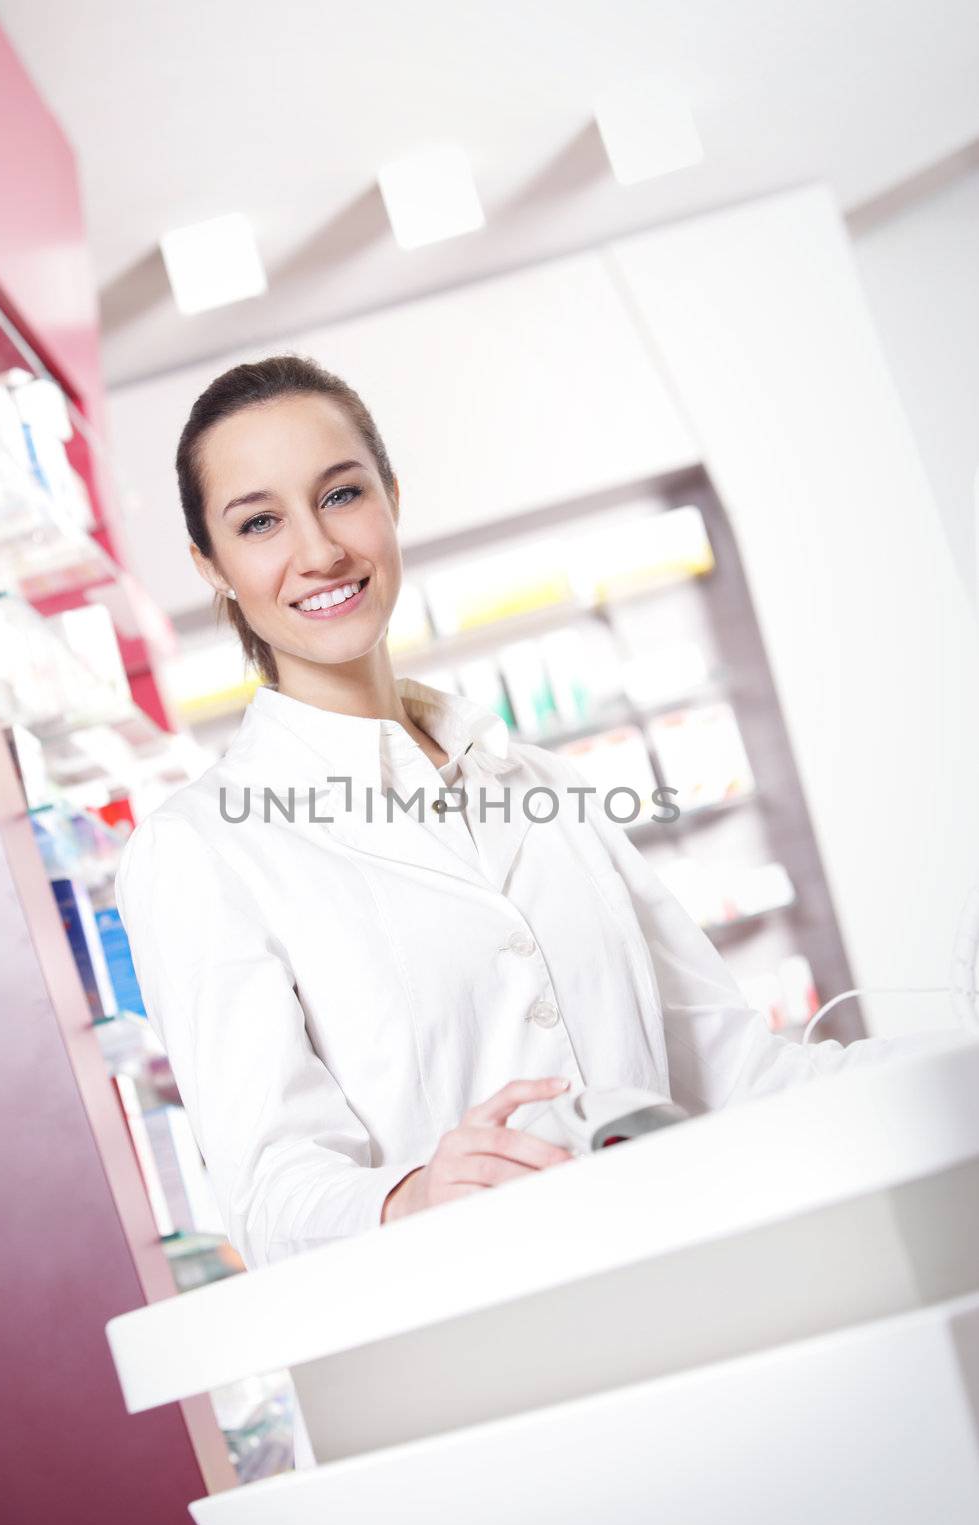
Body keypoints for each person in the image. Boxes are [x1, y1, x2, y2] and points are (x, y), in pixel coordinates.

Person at [115, 352, 896, 1269]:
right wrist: (411, 1197)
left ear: (391, 499)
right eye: (259, 522)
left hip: (692, 1271)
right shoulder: (201, 849)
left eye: (340, 495)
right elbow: (268, 1188)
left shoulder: (541, 785)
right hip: (474, 1329)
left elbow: (734, 1072)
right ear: (212, 565)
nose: (320, 552)